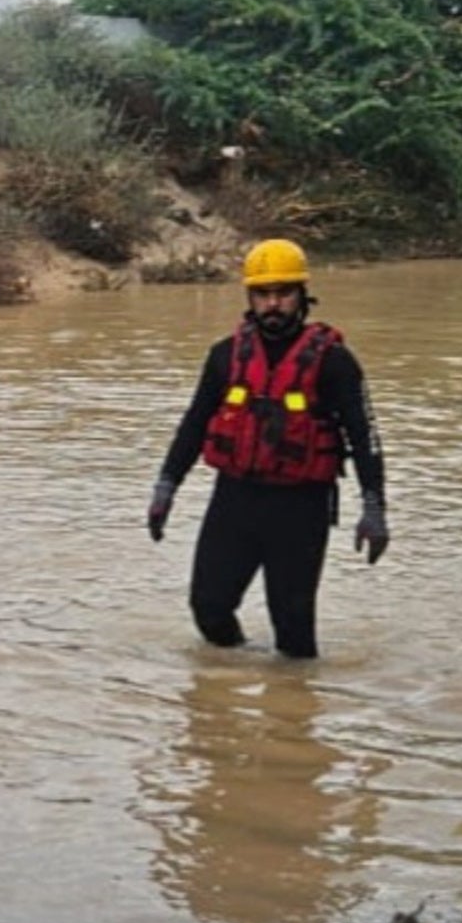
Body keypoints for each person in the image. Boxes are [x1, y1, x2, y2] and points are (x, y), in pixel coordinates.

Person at [146, 238, 387, 659]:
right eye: (263, 294)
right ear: (250, 297)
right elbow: (194, 423)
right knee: (209, 609)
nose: (273, 304)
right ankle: (230, 684)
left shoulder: (335, 362)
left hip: (300, 508)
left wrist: (374, 508)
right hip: (234, 500)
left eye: (283, 293)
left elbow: (366, 437)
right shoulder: (224, 357)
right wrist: (166, 487)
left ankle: (293, 713)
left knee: (293, 634)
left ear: (302, 295)